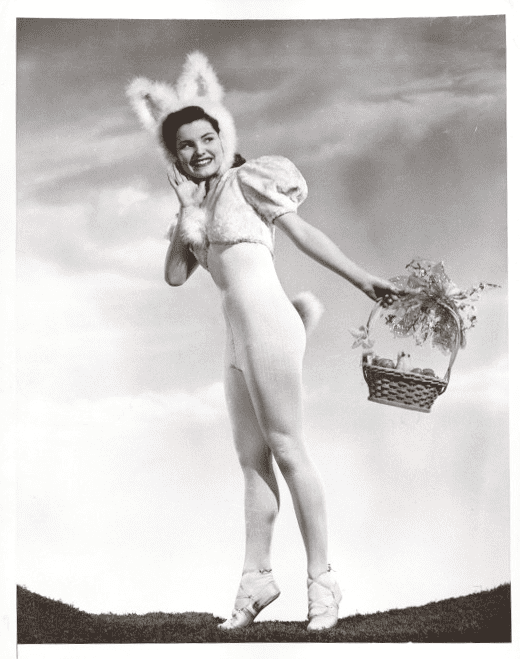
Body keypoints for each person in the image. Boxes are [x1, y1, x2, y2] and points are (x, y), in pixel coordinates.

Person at [128, 52, 400, 633]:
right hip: (236, 339)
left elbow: (302, 232)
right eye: (186, 145)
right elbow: (174, 276)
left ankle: (323, 583)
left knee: (288, 449)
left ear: (223, 136)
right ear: (173, 157)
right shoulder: (194, 211)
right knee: (251, 461)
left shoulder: (247, 180)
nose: (200, 150)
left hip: (270, 324)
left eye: (208, 137)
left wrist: (362, 278)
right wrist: (185, 212)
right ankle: (257, 581)